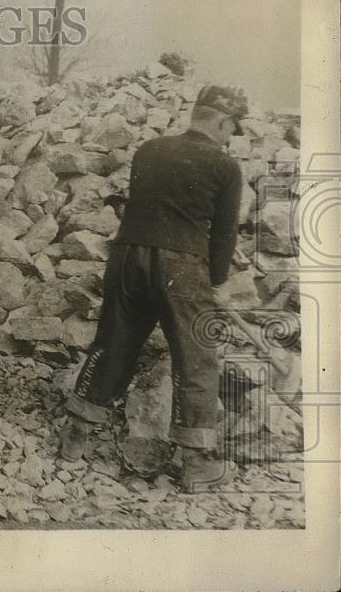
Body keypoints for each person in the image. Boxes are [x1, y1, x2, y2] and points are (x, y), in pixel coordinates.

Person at [59, 85, 249, 491]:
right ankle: (197, 464)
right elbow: (224, 235)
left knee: (114, 343)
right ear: (221, 121)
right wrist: (219, 283)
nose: (231, 137)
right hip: (182, 265)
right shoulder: (225, 166)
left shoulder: (150, 149)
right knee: (196, 357)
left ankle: (76, 434)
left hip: (127, 256)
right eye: (233, 129)